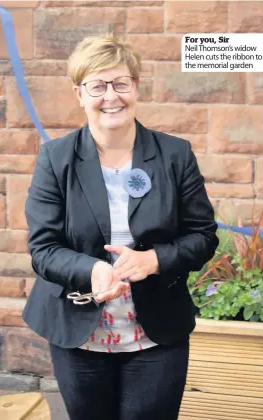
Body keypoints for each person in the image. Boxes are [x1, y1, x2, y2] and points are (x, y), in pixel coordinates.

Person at [22, 34, 219, 420]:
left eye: (120, 84)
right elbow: (43, 247)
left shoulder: (175, 155)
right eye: (97, 86)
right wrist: (91, 269)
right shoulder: (55, 158)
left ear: (136, 88)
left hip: (157, 330)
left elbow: (203, 236)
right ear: (79, 93)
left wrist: (155, 260)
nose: (110, 96)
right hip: (78, 332)